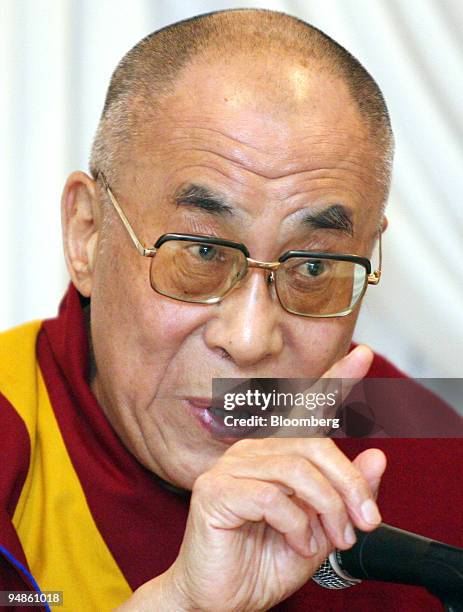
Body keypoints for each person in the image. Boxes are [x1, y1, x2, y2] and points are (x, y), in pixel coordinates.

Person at [0, 9, 461, 611]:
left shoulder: (429, 470)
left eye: (314, 268)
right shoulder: (14, 437)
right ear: (87, 234)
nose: (249, 339)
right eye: (200, 252)